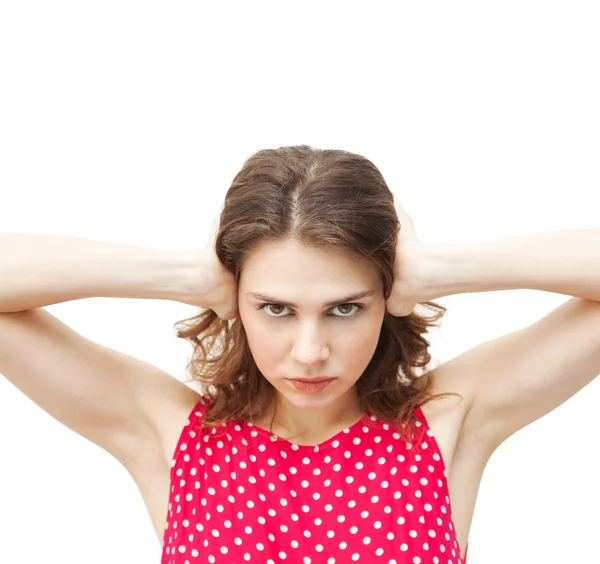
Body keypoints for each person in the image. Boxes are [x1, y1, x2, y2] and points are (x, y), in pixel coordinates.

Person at [1, 145, 599, 564]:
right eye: (277, 308)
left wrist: (438, 268)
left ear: (388, 300)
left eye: (344, 308)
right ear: (236, 299)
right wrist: (185, 273)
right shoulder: (172, 435)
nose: (310, 353)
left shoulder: (444, 422)